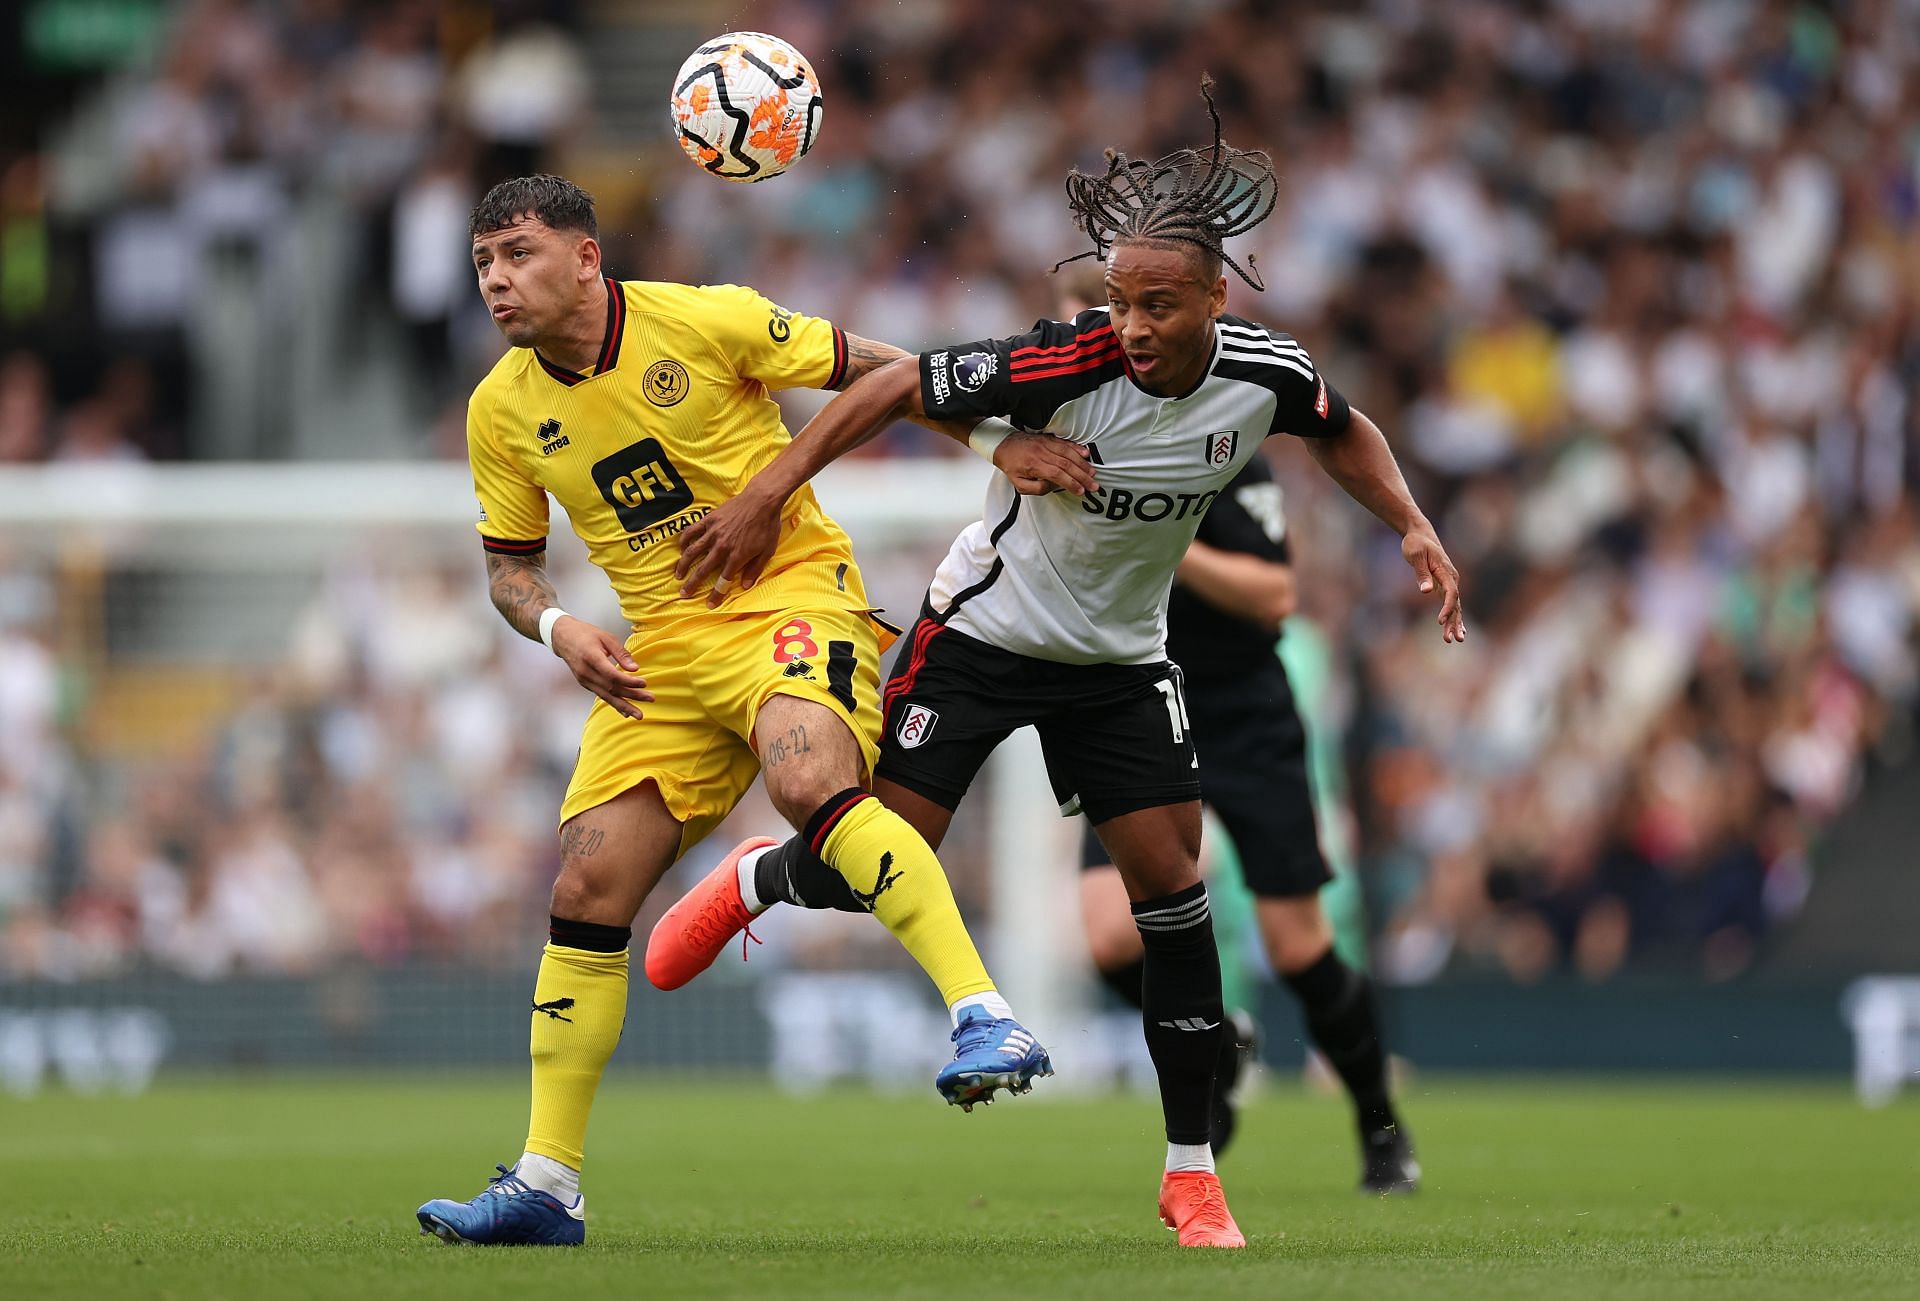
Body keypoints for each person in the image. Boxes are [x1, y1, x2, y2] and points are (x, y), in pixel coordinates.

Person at [650, 83, 1463, 1248]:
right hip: (979, 640)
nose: (1129, 323)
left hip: (1121, 663)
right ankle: (762, 879)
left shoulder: (1263, 374)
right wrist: (768, 492)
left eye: (1156, 303)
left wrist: (1413, 525)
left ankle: (1193, 1176)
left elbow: (1347, 428)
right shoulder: (1064, 359)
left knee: (1173, 902)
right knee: (877, 863)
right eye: (1120, 299)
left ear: (1216, 298)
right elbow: (889, 382)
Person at [415, 175, 1088, 1247]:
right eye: (483, 260)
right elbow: (509, 568)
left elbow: (886, 370)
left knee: (811, 776)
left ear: (586, 258)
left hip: (791, 598)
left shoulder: (704, 316)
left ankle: (985, 1015)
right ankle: (548, 1181)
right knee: (587, 883)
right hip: (661, 657)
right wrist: (558, 629)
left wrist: (988, 442)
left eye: (519, 253)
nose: (496, 277)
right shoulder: (500, 407)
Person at [1050, 258, 1419, 1195]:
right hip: (1135, 698)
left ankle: (1380, 1122)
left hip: (1242, 714)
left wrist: (1167, 539)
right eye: (1095, 324)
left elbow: (1276, 594)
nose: (1113, 343)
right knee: (1105, 934)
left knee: (1298, 945)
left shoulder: (1226, 443)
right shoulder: (1068, 447)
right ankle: (1218, 1043)